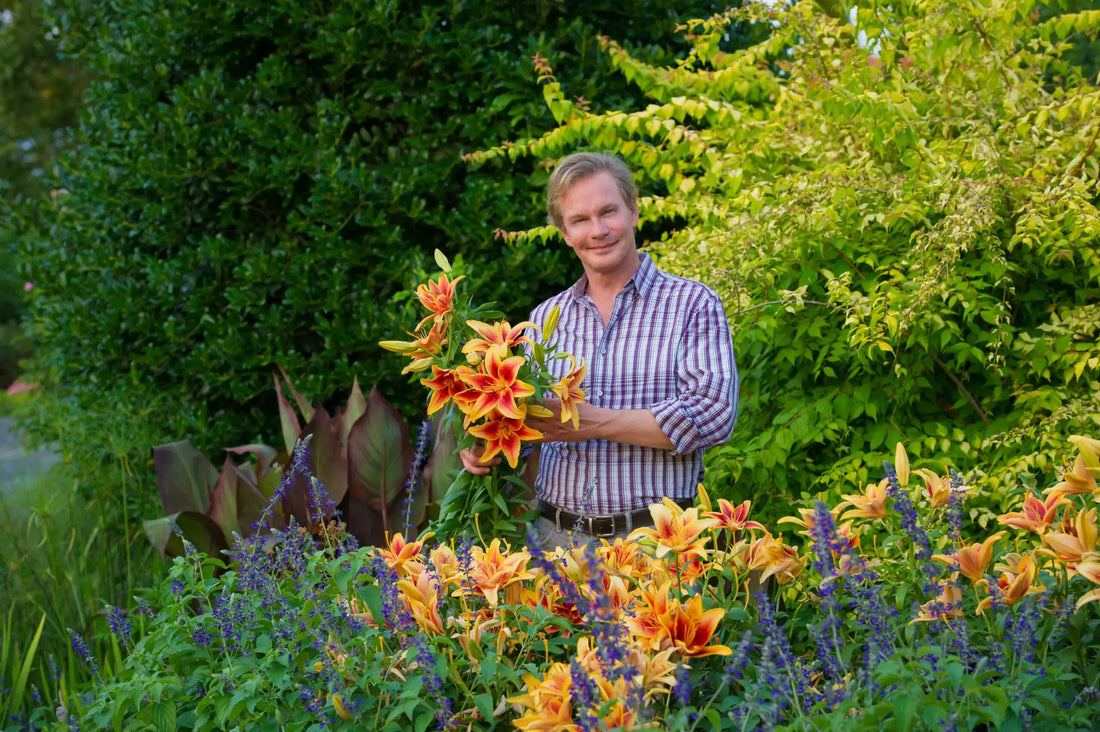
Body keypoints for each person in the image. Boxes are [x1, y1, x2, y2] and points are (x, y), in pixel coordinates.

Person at [461, 152, 738, 550]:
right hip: (558, 539)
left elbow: (714, 416)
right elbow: (535, 423)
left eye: (608, 211)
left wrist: (594, 422)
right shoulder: (544, 317)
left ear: (633, 212)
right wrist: (492, 445)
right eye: (580, 220)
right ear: (565, 234)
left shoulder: (692, 303)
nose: (598, 230)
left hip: (657, 545)